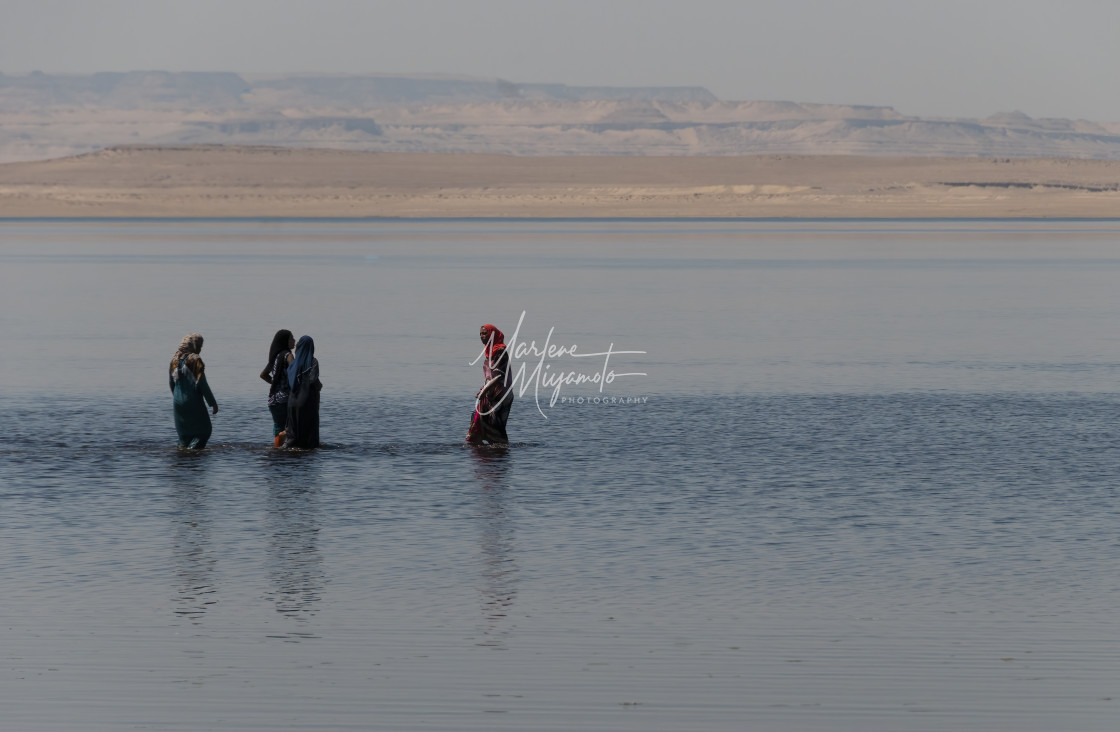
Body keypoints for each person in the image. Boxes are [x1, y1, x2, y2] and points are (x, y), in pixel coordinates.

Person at [169, 333, 219, 449]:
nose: (200, 349)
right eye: (200, 346)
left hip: (178, 403)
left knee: (184, 434)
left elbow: (171, 383)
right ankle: (193, 452)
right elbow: (203, 384)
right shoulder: (195, 360)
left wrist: (178, 397)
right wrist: (213, 403)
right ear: (195, 346)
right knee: (203, 431)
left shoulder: (174, 360)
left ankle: (183, 453)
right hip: (193, 401)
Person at [467, 324, 513, 445]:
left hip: (501, 395)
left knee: (497, 427)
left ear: (492, 335)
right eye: (480, 334)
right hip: (490, 394)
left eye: (485, 333)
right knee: (478, 420)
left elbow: (499, 376)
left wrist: (484, 391)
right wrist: (483, 389)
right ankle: (485, 455)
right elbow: (489, 377)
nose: (482, 336)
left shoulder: (501, 351)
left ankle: (499, 458)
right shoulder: (488, 353)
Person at [283, 335, 322, 449]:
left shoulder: (294, 364)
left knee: (293, 431)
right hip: (306, 401)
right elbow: (312, 380)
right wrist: (319, 386)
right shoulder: (313, 362)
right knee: (309, 432)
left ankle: (287, 449)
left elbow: (291, 381)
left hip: (292, 401)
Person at [260, 329, 295, 443]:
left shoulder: (275, 357)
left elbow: (263, 375)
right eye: (291, 338)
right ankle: (282, 452)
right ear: (285, 341)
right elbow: (295, 374)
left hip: (273, 399)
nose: (294, 341)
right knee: (288, 429)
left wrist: (276, 383)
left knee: (278, 428)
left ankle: (276, 451)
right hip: (284, 398)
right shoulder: (288, 355)